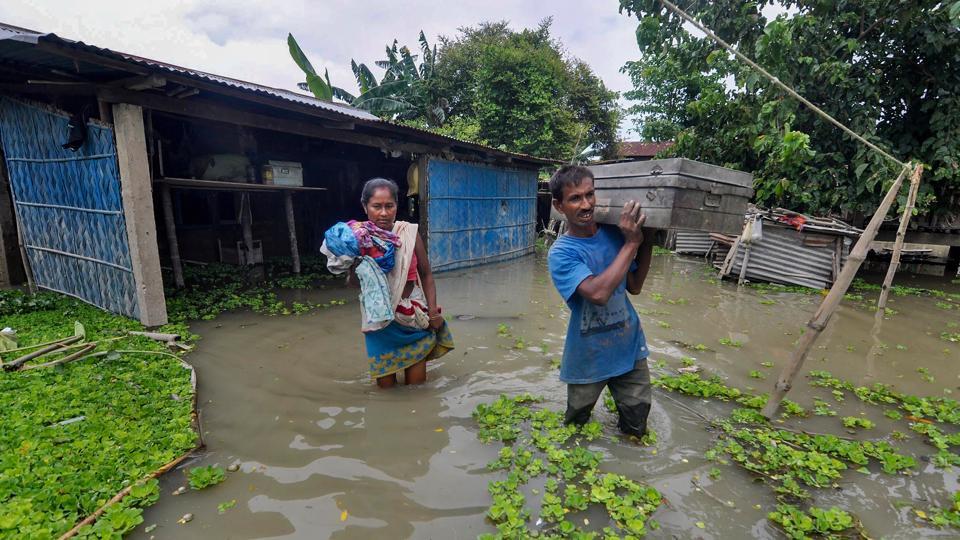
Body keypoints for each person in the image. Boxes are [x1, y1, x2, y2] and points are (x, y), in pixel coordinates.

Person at [546, 165, 655, 439]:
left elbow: (635, 286)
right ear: (559, 206)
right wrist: (631, 245)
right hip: (588, 356)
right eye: (575, 198)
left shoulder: (614, 234)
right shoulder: (562, 253)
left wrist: (647, 239)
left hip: (630, 349)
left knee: (636, 429)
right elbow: (598, 293)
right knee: (575, 430)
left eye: (590, 195)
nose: (586, 204)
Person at [348, 178, 454, 388]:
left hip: (412, 318)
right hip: (380, 322)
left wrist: (433, 312)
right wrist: (355, 261)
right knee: (385, 389)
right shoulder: (358, 240)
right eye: (376, 206)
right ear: (365, 207)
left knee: (416, 388)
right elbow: (353, 284)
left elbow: (426, 275)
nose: (384, 213)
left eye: (389, 206)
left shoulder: (409, 234)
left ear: (397, 206)